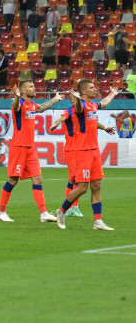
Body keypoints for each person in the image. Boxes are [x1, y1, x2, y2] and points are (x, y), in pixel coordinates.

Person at [53, 84, 119, 231]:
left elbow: (104, 103)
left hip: (94, 151)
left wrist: (113, 93)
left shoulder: (93, 105)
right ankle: (61, 211)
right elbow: (78, 108)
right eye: (91, 87)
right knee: (82, 188)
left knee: (96, 186)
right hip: (82, 152)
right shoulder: (81, 106)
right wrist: (77, 100)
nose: (94, 89)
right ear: (83, 91)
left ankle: (98, 221)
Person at [0, 80, 64, 223]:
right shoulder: (19, 104)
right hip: (19, 147)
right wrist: (16, 97)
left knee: (38, 179)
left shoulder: (32, 105)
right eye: (31, 87)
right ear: (24, 91)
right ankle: (1, 212)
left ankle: (44, 213)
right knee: (13, 180)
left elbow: (42, 108)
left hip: (30, 148)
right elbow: (15, 107)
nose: (34, 88)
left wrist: (56, 99)